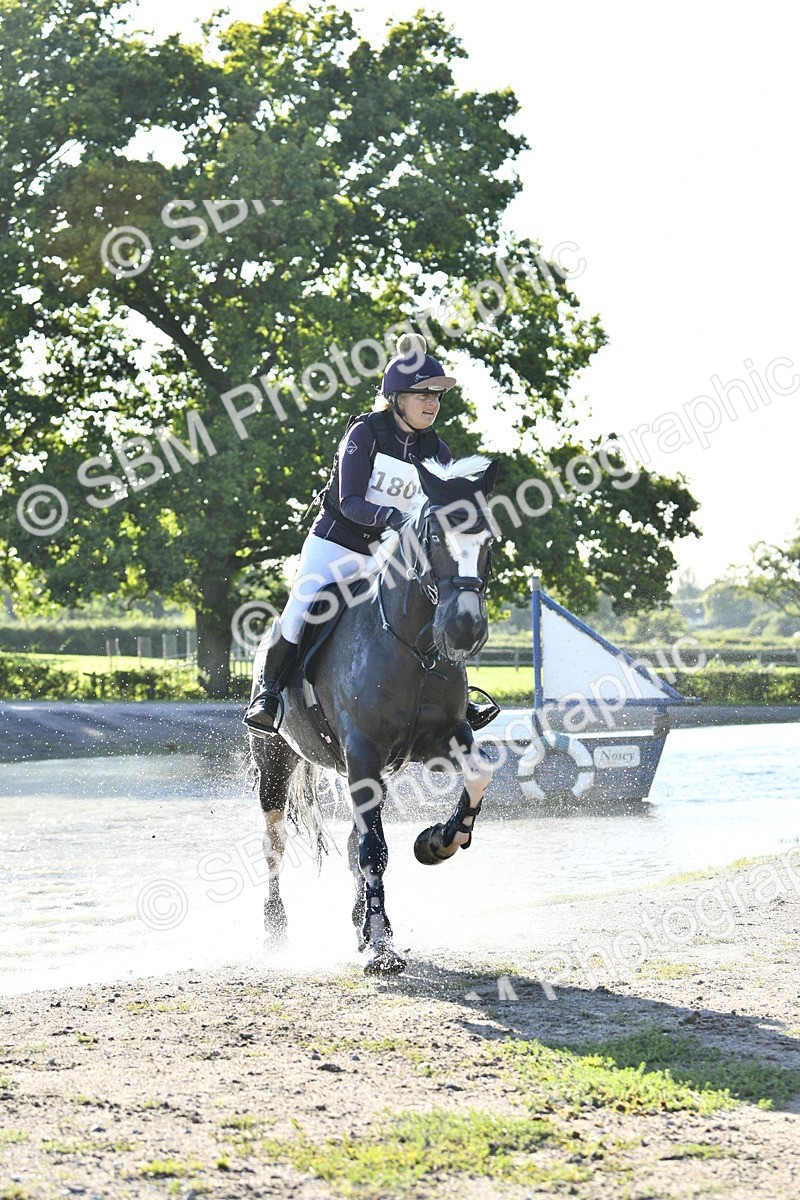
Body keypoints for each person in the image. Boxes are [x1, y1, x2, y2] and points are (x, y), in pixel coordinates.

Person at [244, 331, 499, 734]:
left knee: (435, 605)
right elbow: (349, 502)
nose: (433, 403)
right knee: (300, 607)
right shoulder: (364, 433)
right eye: (423, 395)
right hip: (336, 544)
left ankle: (455, 700)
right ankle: (269, 694)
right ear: (396, 398)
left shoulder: (438, 452)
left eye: (437, 396)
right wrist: (393, 518)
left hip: (388, 555)